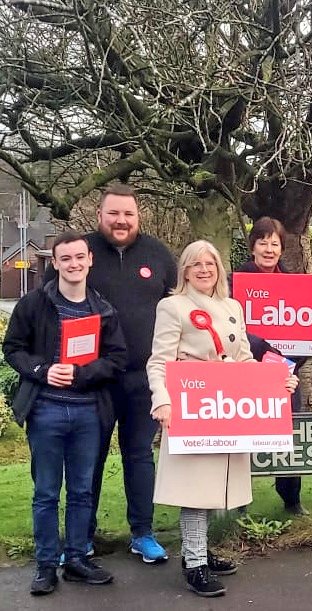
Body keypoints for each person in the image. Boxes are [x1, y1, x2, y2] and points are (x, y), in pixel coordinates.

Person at [147, 240, 298, 597]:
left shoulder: (231, 307)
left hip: (226, 407)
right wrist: (162, 400)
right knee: (195, 488)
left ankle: (195, 552)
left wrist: (276, 381)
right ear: (184, 270)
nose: (204, 270)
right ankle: (195, 564)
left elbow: (244, 358)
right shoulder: (172, 307)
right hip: (193, 405)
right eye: (196, 264)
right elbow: (159, 361)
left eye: (210, 264)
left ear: (219, 269)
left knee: (215, 485)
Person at [45, 183, 178, 563]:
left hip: (143, 378)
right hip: (93, 381)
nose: (121, 221)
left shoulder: (158, 254)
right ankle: (82, 539)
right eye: (113, 214)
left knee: (138, 456)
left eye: (128, 214)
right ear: (100, 215)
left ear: (139, 216)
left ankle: (143, 533)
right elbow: (49, 306)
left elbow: (179, 306)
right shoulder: (82, 253)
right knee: (91, 459)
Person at [4, 232, 127, 595]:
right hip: (45, 411)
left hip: (89, 413)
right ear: (55, 263)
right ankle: (45, 566)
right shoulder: (33, 304)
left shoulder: (103, 309)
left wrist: (82, 373)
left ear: (90, 260)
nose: (73, 264)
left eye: (79, 257)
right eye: (65, 259)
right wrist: (43, 370)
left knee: (82, 491)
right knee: (45, 492)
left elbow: (118, 359)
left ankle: (75, 559)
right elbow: (12, 348)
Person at [230, 216, 308, 516]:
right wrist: (261, 354)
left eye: (274, 243)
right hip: (246, 372)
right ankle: (238, 500)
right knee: (240, 436)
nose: (268, 248)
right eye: (262, 242)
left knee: (290, 435)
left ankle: (292, 498)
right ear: (252, 247)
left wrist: (288, 363)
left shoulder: (294, 285)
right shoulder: (234, 284)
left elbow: (308, 334)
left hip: (285, 375)